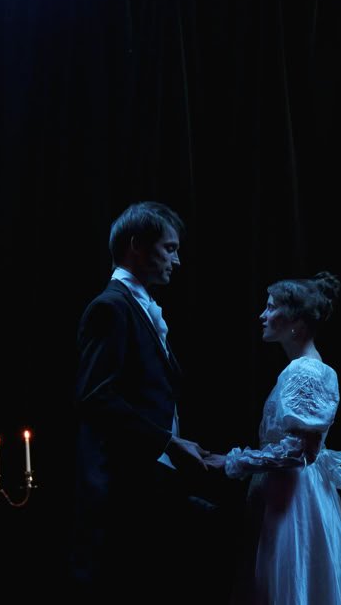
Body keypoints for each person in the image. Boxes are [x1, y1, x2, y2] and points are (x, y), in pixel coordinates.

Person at [71, 201, 216, 602]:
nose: (177, 260)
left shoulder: (137, 306)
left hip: (150, 484)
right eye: (169, 249)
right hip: (123, 492)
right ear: (136, 245)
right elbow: (95, 396)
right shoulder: (111, 308)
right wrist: (168, 444)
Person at [207, 272, 341, 604]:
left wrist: (235, 460)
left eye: (271, 307)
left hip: (293, 497)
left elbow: (300, 451)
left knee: (288, 581)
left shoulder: (304, 370)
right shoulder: (307, 368)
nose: (262, 315)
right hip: (293, 493)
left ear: (296, 321)